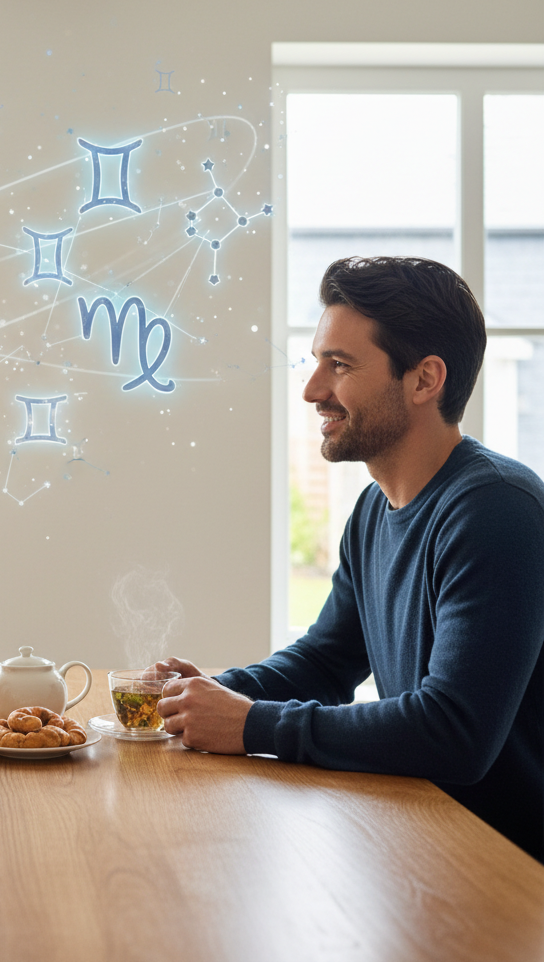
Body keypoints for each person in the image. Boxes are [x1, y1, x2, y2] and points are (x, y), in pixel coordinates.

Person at [156, 256, 544, 863]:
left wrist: (252, 723)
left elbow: (454, 733)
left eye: (339, 366)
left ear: (424, 380)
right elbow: (327, 661)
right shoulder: (373, 509)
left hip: (508, 878)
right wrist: (207, 696)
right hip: (423, 849)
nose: (313, 390)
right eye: (316, 362)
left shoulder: (497, 509)